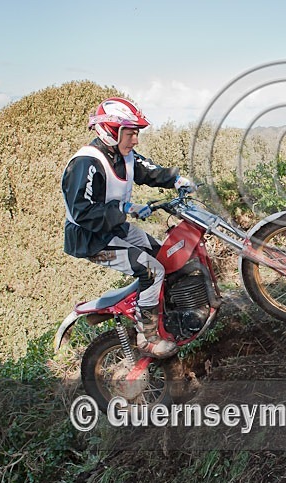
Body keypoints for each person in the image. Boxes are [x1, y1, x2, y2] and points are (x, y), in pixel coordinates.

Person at [61, 97, 194, 359]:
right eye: (130, 133)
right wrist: (125, 209)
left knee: (164, 256)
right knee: (151, 269)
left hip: (113, 229)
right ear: (110, 132)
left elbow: (148, 170)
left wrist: (177, 179)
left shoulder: (125, 156)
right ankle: (148, 337)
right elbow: (82, 211)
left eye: (136, 134)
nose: (135, 140)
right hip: (91, 240)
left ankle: (165, 311)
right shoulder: (86, 163)